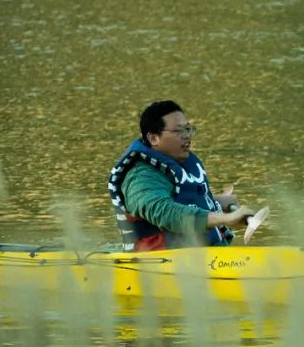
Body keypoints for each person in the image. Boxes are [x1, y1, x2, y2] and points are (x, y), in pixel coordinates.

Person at [108, 101, 254, 251]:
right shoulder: (140, 177)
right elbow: (164, 212)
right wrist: (226, 219)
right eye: (179, 131)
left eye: (188, 129)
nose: (188, 137)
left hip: (205, 258)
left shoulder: (177, 161)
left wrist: (214, 201)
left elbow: (182, 198)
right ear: (153, 138)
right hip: (157, 265)